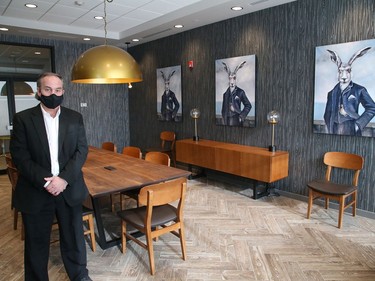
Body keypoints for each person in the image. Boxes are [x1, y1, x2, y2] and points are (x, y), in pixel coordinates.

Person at [10, 72, 92, 281]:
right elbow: (20, 156)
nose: (53, 94)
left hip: (69, 189)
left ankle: (80, 275)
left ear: (63, 92)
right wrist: (47, 181)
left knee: (74, 239)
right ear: (39, 92)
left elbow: (81, 151)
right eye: (48, 90)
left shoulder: (75, 118)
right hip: (37, 191)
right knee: (36, 243)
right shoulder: (23, 119)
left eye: (57, 90)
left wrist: (63, 179)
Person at [324, 47, 375, 136]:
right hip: (334, 130)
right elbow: (327, 114)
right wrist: (330, 128)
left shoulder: (359, 90)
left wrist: (358, 124)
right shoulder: (331, 93)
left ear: (350, 72)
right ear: (338, 72)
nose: (344, 76)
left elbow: (372, 108)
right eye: (341, 71)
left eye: (348, 71)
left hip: (351, 129)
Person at [221, 61, 252, 126]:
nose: (232, 81)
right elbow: (223, 110)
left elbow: (248, 105)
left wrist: (241, 116)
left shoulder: (240, 92)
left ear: (236, 79)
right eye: (230, 78)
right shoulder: (225, 94)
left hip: (237, 120)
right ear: (229, 79)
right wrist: (223, 120)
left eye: (234, 78)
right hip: (226, 123)